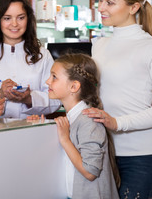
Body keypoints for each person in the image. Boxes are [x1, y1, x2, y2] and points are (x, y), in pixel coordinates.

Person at [82, 0, 152, 199]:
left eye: (110, 2)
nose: (101, 7)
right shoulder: (99, 45)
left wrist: (117, 122)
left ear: (134, 7)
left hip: (144, 157)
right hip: (104, 152)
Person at [0, 0, 61, 119]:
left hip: (31, 130)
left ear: (28, 19)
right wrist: (0, 94)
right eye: (7, 18)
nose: (14, 24)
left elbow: (56, 99)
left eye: (21, 17)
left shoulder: (42, 55)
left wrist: (29, 98)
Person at [46, 53, 119, 199]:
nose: (48, 81)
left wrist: (65, 140)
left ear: (74, 86)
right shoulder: (72, 119)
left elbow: (90, 172)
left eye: (54, 77)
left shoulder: (88, 121)